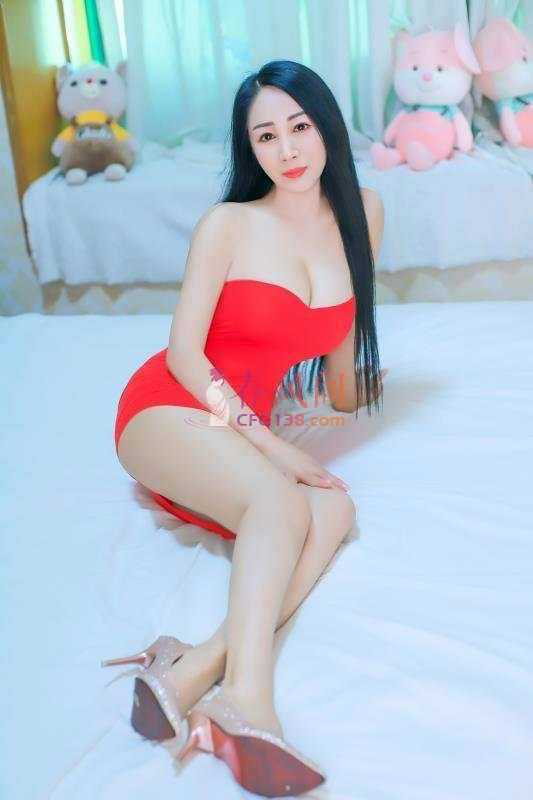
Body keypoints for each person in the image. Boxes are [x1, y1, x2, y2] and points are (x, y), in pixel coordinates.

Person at [104, 59, 386, 796]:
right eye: (265, 136)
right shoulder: (228, 224)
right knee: (281, 499)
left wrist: (355, 395)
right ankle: (247, 700)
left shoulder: (364, 213)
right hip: (172, 407)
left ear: (326, 126)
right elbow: (183, 355)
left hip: (234, 438)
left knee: (335, 507)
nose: (287, 150)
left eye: (299, 126)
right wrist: (269, 443)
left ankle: (191, 666)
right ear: (249, 148)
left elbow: (341, 348)